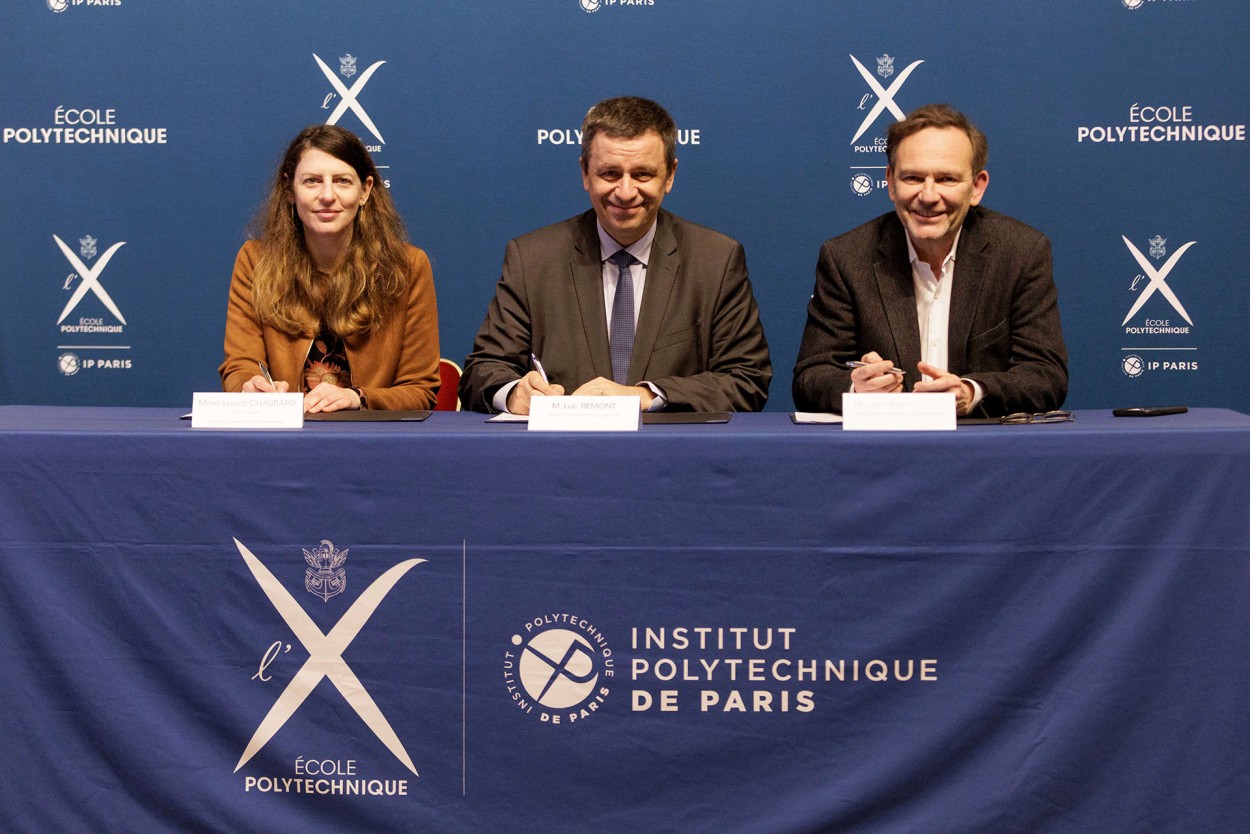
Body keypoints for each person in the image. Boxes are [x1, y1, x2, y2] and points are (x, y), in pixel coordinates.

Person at [460, 96, 771, 414]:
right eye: (610, 174)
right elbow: (482, 372)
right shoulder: (532, 258)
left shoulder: (716, 260)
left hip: (673, 456)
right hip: (564, 455)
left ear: (670, 176)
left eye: (643, 175)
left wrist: (645, 396)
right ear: (584, 173)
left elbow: (746, 380)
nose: (625, 192)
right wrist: (514, 394)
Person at [793, 103, 1067, 417]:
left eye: (947, 179)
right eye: (912, 177)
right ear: (890, 182)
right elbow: (810, 378)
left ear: (977, 187)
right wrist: (857, 389)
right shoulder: (846, 257)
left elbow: (1046, 376)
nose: (928, 195)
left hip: (985, 452)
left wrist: (970, 392)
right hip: (883, 454)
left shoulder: (1020, 252)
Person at [220, 124, 439, 412]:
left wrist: (358, 398)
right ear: (289, 190)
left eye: (342, 181)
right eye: (312, 181)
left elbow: (420, 390)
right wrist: (250, 386)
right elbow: (239, 367)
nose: (326, 195)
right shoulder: (255, 261)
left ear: (365, 191)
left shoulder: (408, 267)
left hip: (371, 445)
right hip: (284, 441)